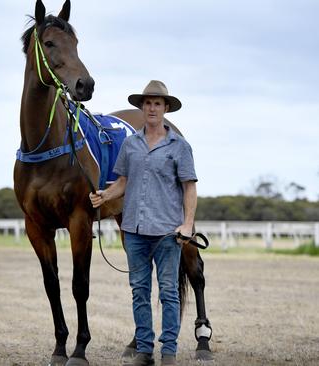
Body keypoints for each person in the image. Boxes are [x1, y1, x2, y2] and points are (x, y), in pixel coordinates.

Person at [89, 80, 197, 366]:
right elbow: (123, 181)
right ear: (142, 107)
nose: (152, 108)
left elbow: (189, 188)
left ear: (165, 109)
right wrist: (105, 195)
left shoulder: (180, 147)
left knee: (169, 292)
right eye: (147, 103)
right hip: (134, 230)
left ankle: (169, 352)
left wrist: (187, 225)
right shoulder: (130, 143)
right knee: (139, 292)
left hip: (166, 232)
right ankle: (145, 350)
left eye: (157, 104)